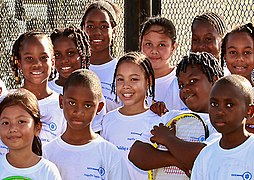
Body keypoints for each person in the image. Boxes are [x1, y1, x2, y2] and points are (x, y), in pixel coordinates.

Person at [129, 52, 224, 178]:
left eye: (192, 81)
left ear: (214, 80)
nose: (185, 89)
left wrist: (168, 139)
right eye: (181, 85)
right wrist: (177, 161)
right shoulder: (171, 117)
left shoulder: (222, 122)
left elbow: (202, 157)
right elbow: (136, 153)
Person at [43, 69, 130, 179]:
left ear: (99, 107)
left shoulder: (109, 153)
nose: (79, 111)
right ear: (61, 101)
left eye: (87, 105)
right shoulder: (47, 152)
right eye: (72, 103)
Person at [100, 51, 166, 179]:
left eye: (134, 79)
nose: (126, 86)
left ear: (148, 81)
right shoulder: (107, 120)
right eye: (120, 79)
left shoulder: (159, 120)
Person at [191, 74, 254, 179]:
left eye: (229, 105)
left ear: (249, 111)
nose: (219, 112)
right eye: (214, 104)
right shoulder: (206, 155)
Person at [9, 30, 66, 145]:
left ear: (53, 62)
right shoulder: (7, 101)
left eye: (43, 57)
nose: (37, 64)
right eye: (29, 58)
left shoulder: (62, 105)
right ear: (19, 63)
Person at [49, 26, 106, 132]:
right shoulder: (47, 90)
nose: (64, 60)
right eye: (57, 55)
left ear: (82, 54)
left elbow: (96, 133)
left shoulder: (93, 92)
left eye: (71, 53)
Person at [0, 88, 61, 179]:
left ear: (37, 128)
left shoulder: (47, 171)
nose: (13, 129)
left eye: (21, 121)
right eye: (5, 123)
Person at [80, 0, 122, 112]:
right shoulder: (75, 67)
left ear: (114, 31)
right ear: (82, 29)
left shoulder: (122, 69)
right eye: (90, 26)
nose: (97, 32)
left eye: (104, 26)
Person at [140, 16, 187, 110]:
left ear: (173, 47)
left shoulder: (181, 79)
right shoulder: (131, 78)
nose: (154, 51)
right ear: (140, 43)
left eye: (161, 45)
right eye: (148, 44)